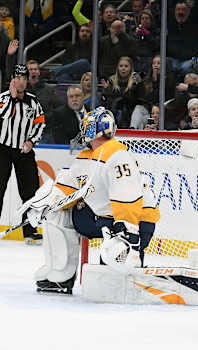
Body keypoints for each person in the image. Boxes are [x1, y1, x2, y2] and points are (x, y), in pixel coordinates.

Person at [22, 107, 159, 294]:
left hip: (133, 223)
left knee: (114, 283)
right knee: (56, 215)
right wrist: (45, 205)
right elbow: (69, 186)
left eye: (86, 127)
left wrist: (127, 233)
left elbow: (127, 196)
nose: (83, 132)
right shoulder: (88, 154)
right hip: (105, 219)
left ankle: (134, 272)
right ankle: (60, 275)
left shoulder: (117, 155)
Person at [0, 64, 45, 245]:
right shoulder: (2, 99)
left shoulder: (33, 102)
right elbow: (3, 115)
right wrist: (11, 98)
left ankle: (29, 229)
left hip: (24, 151)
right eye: (17, 78)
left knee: (30, 192)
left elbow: (40, 124)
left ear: (27, 81)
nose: (21, 82)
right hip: (2, 150)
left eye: (24, 78)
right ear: (12, 80)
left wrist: (31, 141)